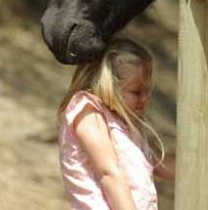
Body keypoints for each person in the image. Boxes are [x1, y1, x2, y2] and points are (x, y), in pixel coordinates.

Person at [58, 36, 175, 210]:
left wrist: (200, 159)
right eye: (136, 92)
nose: (145, 98)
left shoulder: (127, 126)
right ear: (108, 85)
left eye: (147, 91)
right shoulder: (88, 111)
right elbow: (109, 173)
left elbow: (161, 166)